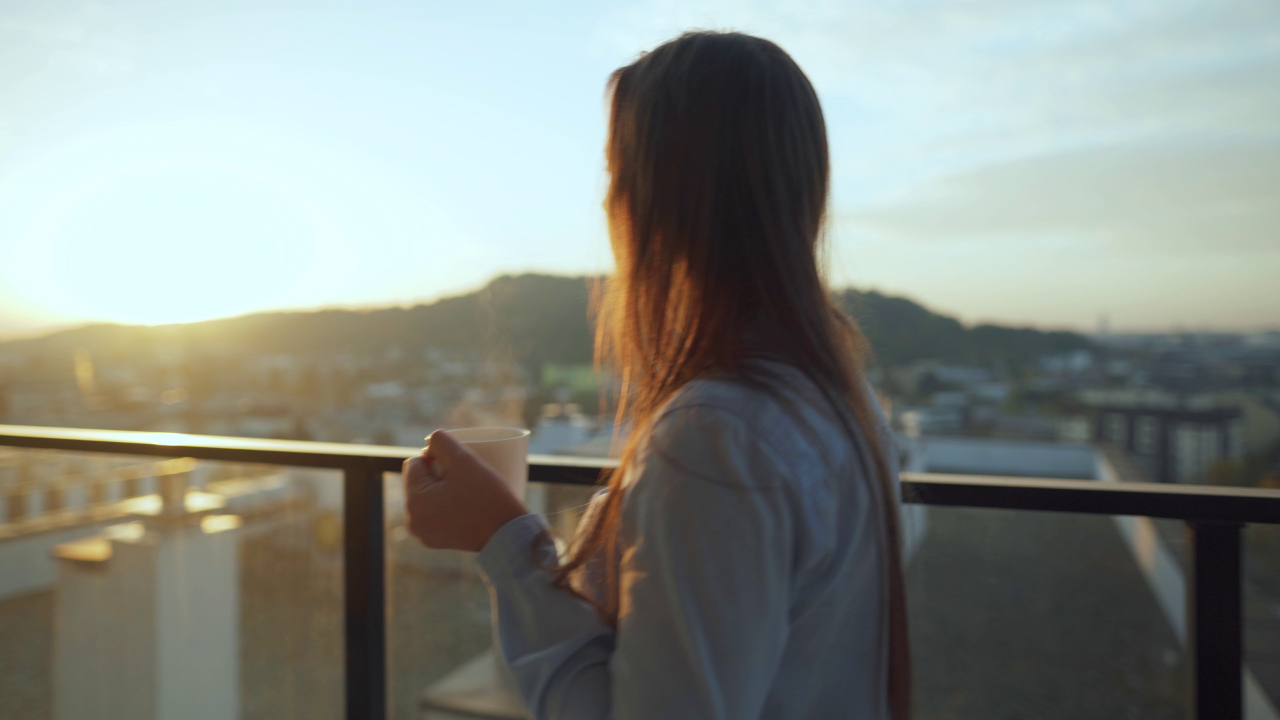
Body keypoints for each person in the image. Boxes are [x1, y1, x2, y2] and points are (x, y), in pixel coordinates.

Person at [402, 30, 910, 720]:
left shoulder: (716, 434)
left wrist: (505, 543)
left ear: (657, 197)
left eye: (619, 173)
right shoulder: (839, 402)